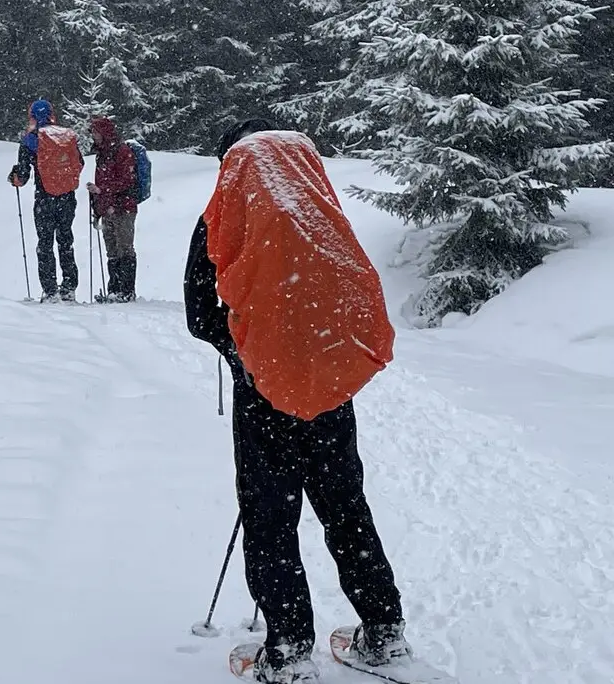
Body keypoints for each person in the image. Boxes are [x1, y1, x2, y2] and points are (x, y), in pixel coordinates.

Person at [183, 119, 412, 684]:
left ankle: (287, 650)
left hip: (261, 396)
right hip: (329, 392)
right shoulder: (320, 213)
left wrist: (245, 351)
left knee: (270, 517)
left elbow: (198, 311)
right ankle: (383, 632)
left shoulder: (222, 216)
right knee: (345, 508)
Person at [8, 98, 84, 302]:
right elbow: (80, 163)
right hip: (67, 197)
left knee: (45, 244)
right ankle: (69, 287)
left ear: (33, 116)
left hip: (44, 199)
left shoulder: (30, 141)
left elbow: (22, 177)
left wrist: (14, 176)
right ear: (51, 114)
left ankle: (50, 290)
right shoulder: (66, 136)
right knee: (66, 241)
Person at [85, 116, 138, 303]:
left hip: (124, 208)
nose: (94, 136)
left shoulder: (122, 151)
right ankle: (114, 290)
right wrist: (99, 206)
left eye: (96, 132)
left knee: (124, 248)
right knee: (112, 251)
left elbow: (127, 181)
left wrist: (102, 190)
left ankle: (126, 291)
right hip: (108, 208)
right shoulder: (103, 153)